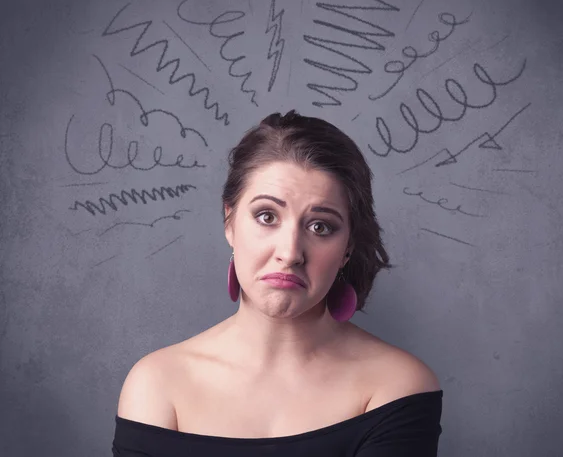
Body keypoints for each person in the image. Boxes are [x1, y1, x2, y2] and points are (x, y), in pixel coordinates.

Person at [111, 111, 443, 456]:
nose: (290, 253)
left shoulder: (397, 385)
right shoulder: (157, 383)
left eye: (320, 227)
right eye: (267, 216)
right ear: (230, 222)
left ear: (348, 248)